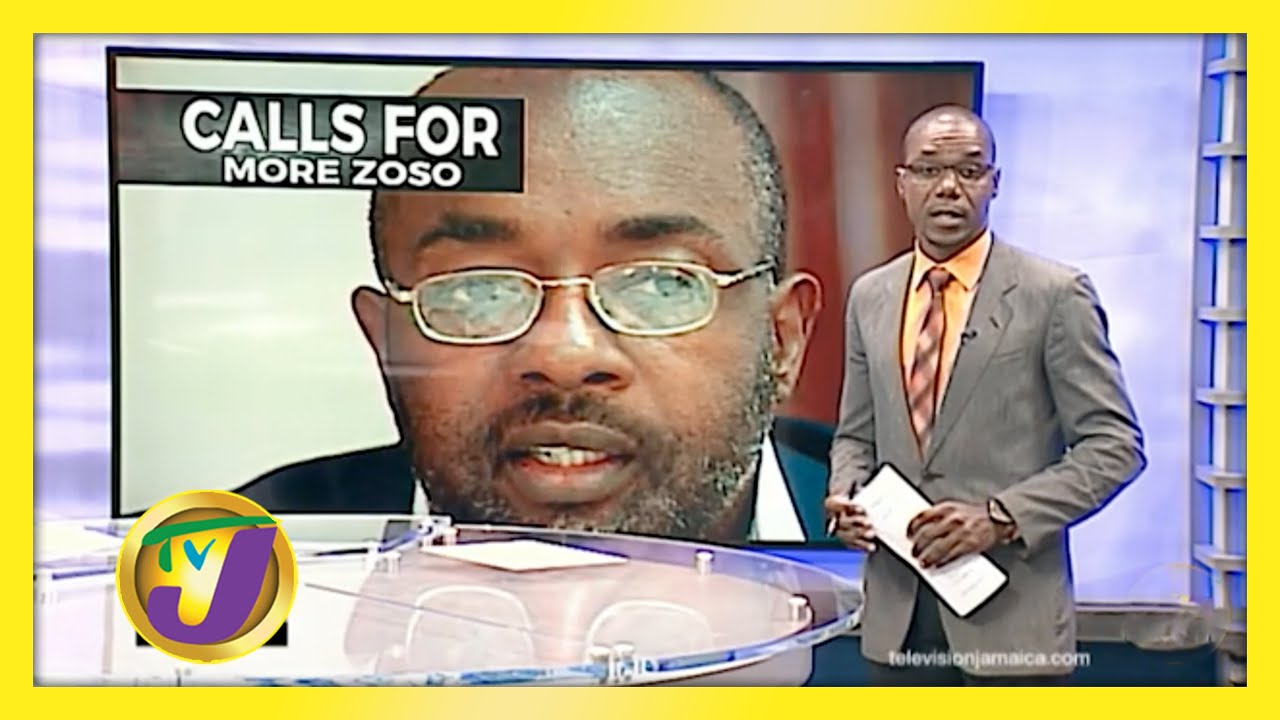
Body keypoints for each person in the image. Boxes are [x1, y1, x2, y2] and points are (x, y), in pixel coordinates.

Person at [233, 66, 827, 544]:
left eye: (660, 284)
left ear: (782, 341)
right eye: (477, 290)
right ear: (386, 344)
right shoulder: (236, 566)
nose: (565, 354)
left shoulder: (884, 548)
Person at [825, 105, 1145, 685]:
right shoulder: (871, 296)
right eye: (929, 170)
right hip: (897, 620)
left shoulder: (1055, 294)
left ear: (995, 183)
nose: (949, 187)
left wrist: (1001, 518)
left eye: (969, 171)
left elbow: (1115, 446)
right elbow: (856, 434)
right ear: (901, 183)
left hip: (1010, 621)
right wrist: (846, 496)